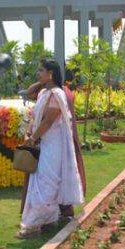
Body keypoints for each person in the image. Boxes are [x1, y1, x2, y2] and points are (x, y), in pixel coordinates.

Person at [16, 59, 84, 239]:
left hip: (53, 145)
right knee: (41, 181)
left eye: (41, 71)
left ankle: (33, 225)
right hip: (44, 143)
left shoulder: (56, 94)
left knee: (46, 182)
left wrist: (33, 138)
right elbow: (32, 100)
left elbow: (48, 121)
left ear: (51, 73)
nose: (38, 73)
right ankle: (49, 219)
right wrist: (43, 81)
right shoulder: (45, 92)